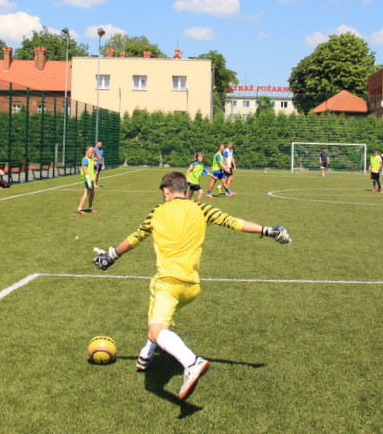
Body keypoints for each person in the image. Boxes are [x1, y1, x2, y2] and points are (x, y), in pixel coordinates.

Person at [91, 171, 291, 401]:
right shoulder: (201, 209)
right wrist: (268, 230)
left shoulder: (157, 211)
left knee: (157, 327)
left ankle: (191, 361)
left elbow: (136, 237)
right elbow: (233, 222)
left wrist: (111, 256)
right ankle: (146, 353)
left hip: (168, 283)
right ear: (185, 191)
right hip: (192, 287)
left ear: (166, 192)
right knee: (158, 314)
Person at [76, 146, 97, 215]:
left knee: (92, 192)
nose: (91, 153)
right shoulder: (85, 159)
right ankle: (79, 208)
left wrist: (95, 151)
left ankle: (90, 208)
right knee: (86, 192)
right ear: (86, 152)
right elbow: (85, 169)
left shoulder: (91, 158)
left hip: (90, 178)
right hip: (87, 178)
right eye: (90, 152)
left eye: (92, 152)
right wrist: (87, 177)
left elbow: (99, 158)